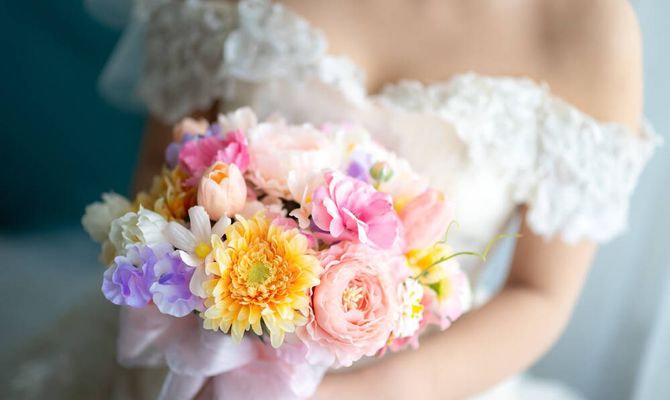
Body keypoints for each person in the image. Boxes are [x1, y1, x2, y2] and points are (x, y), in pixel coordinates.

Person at [8, 0, 657, 399]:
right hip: (188, 352)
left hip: (419, 381)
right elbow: (161, 167)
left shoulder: (590, 29)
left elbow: (539, 294)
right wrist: (214, 327)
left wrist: (362, 395)